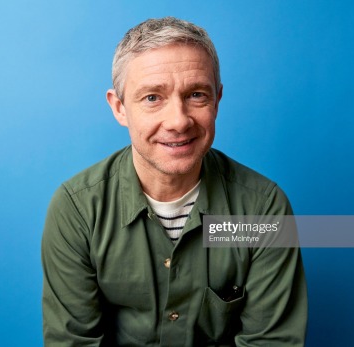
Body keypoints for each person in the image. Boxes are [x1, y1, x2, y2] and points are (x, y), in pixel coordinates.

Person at [42, 17, 307, 346]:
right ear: (119, 107)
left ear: (218, 99)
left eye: (196, 95)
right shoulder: (78, 209)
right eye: (152, 98)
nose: (178, 121)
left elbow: (271, 343)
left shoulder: (262, 210)